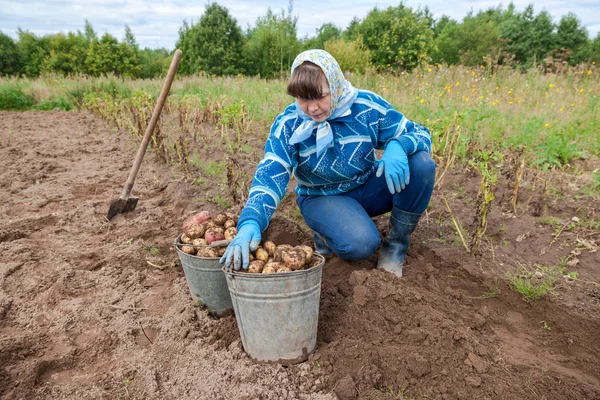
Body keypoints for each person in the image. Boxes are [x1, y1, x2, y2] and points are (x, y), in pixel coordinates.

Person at [220, 49, 436, 277]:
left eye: (320, 97)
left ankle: (395, 246)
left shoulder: (366, 108)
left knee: (421, 164)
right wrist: (251, 221)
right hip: (321, 197)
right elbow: (271, 173)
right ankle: (327, 231)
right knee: (361, 244)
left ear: (335, 86)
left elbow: (422, 134)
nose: (312, 108)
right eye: (303, 99)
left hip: (367, 185)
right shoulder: (289, 124)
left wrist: (400, 145)